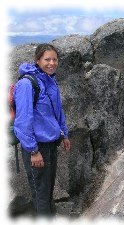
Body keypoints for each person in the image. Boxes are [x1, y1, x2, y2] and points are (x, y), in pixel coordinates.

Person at [13, 43, 71, 217]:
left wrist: (64, 134)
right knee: (41, 193)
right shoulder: (27, 84)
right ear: (37, 60)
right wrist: (33, 151)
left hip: (51, 144)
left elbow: (57, 111)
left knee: (48, 189)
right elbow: (23, 121)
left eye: (55, 59)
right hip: (37, 147)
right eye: (47, 59)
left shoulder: (50, 80)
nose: (51, 63)